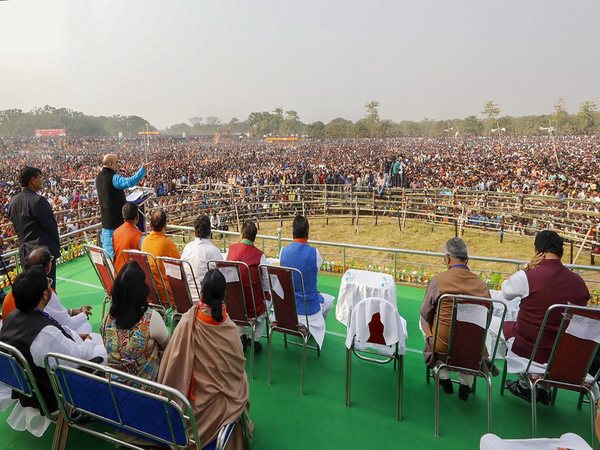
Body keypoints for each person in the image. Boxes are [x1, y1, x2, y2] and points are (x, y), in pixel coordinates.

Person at [0, 266, 106, 436]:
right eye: (48, 284)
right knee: (101, 351)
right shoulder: (45, 334)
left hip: (27, 389)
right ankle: (91, 406)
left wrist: (74, 337)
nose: (50, 287)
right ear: (44, 295)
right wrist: (83, 341)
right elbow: (78, 356)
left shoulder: (10, 319)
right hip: (52, 395)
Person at [159, 270, 253, 449]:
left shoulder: (188, 321)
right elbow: (237, 367)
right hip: (222, 404)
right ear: (224, 295)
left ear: (201, 293)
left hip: (190, 402)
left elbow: (173, 362)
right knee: (243, 380)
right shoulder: (230, 329)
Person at [501, 230, 589, 403]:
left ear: (537, 251)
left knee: (500, 327)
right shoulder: (579, 283)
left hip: (532, 350)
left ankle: (525, 384)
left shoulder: (528, 276)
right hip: (564, 355)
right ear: (561, 252)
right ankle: (543, 388)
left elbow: (506, 292)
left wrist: (528, 267)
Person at [419, 237, 490, 401]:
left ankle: (442, 374)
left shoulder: (439, 281)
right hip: (472, 351)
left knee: (424, 320)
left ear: (447, 259)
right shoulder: (483, 287)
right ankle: (466, 381)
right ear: (467, 260)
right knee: (470, 332)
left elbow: (425, 311)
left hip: (443, 349)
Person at [100, 261, 169, 383]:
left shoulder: (107, 318)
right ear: (141, 289)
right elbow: (168, 346)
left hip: (114, 389)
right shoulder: (151, 319)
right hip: (147, 392)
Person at [1, 247, 93, 334]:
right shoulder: (46, 293)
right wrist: (84, 314)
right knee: (86, 327)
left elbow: (50, 311)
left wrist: (71, 311)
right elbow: (68, 324)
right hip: (32, 337)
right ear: (48, 266)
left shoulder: (15, 292)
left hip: (15, 338)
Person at [279, 215, 334, 349]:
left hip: (288, 310)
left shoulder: (283, 252)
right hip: (309, 310)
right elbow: (315, 273)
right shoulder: (315, 254)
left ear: (293, 232)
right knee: (330, 300)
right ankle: (313, 330)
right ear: (307, 233)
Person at [8, 166, 60, 289]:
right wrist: (55, 248)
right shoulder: (38, 201)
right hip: (42, 255)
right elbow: (51, 227)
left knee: (32, 291)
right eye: (40, 177)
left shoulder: (13, 201)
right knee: (47, 291)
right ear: (33, 180)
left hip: (25, 253)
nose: (42, 180)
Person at [225, 221, 270, 352]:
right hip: (253, 307)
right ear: (254, 237)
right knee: (268, 301)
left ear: (241, 234)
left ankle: (240, 335)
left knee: (238, 304)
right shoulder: (260, 256)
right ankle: (254, 338)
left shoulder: (229, 250)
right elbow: (266, 285)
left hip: (233, 304)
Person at [95, 154, 145, 259]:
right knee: (121, 256)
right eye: (116, 162)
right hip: (118, 224)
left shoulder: (97, 178)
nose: (118, 165)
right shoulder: (114, 178)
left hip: (106, 224)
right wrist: (142, 170)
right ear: (110, 164)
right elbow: (129, 182)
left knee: (109, 257)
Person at [141, 209, 180, 304]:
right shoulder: (167, 243)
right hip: (166, 295)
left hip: (150, 292)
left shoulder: (145, 241)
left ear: (150, 225)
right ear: (165, 226)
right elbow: (179, 264)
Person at [181, 214, 223, 303]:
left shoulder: (187, 248)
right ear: (209, 231)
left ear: (195, 230)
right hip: (207, 302)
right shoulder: (214, 251)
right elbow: (223, 278)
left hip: (187, 298)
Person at [112, 202, 144, 273]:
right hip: (132, 277)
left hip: (118, 274)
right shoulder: (139, 236)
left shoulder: (115, 232)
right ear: (137, 216)